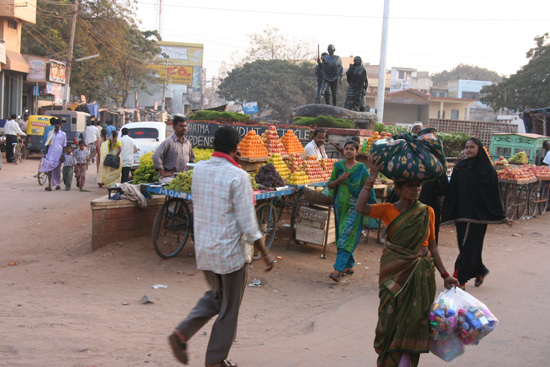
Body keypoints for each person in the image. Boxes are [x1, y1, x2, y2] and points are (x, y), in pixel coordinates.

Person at [168, 126, 274, 367]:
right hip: (230, 255)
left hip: (205, 249)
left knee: (217, 297)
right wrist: (265, 253)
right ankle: (215, 360)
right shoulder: (238, 176)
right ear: (236, 149)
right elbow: (248, 223)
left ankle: (182, 333)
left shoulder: (201, 169)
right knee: (229, 308)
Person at [356, 155, 459, 367]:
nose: (416, 190)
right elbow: (360, 207)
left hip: (420, 276)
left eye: (418, 186)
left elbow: (432, 246)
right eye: (411, 186)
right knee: (389, 322)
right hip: (393, 274)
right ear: (399, 189)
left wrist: (446, 275)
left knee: (414, 321)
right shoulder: (387, 209)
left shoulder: (426, 212)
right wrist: (372, 176)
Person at [442, 137, 512, 290]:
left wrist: (502, 215)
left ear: (479, 148)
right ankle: (479, 270)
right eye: (466, 147)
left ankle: (460, 280)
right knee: (465, 246)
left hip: (480, 216)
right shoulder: (460, 167)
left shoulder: (488, 170)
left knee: (469, 247)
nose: (468, 150)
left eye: (472, 147)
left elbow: (494, 195)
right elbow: (453, 190)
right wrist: (447, 211)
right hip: (462, 213)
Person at [327, 141, 376, 282]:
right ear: (343, 151)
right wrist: (340, 179)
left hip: (355, 207)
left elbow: (368, 186)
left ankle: (338, 269)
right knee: (342, 234)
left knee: (346, 235)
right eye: (346, 149)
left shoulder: (361, 168)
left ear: (357, 152)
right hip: (340, 207)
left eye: (352, 149)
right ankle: (349, 265)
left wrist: (371, 204)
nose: (348, 151)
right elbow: (330, 185)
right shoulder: (338, 166)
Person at [153, 115, 195, 183]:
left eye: (185, 126)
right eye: (181, 126)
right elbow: (156, 156)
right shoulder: (168, 142)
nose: (184, 128)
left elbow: (191, 161)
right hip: (169, 177)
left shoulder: (187, 143)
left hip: (183, 177)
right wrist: (163, 173)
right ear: (174, 127)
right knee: (177, 184)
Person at [39, 118, 66, 191]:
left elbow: (64, 145)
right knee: (49, 168)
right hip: (50, 153)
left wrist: (63, 155)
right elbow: (48, 143)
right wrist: (46, 152)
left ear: (61, 125)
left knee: (58, 169)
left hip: (58, 153)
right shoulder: (50, 133)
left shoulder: (63, 134)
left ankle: (57, 184)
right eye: (56, 124)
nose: (57, 125)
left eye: (58, 124)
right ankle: (49, 185)